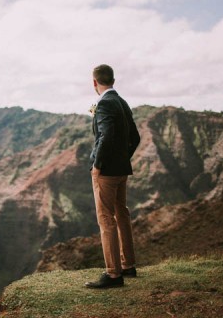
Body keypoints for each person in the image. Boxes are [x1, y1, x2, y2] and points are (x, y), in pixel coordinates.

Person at [85, 64, 140, 289]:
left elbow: (105, 136)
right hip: (121, 169)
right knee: (122, 214)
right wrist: (122, 158)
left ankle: (113, 274)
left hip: (106, 171)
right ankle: (128, 266)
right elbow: (135, 137)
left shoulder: (105, 103)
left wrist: (98, 164)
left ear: (95, 83)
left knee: (106, 219)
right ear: (113, 80)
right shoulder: (122, 101)